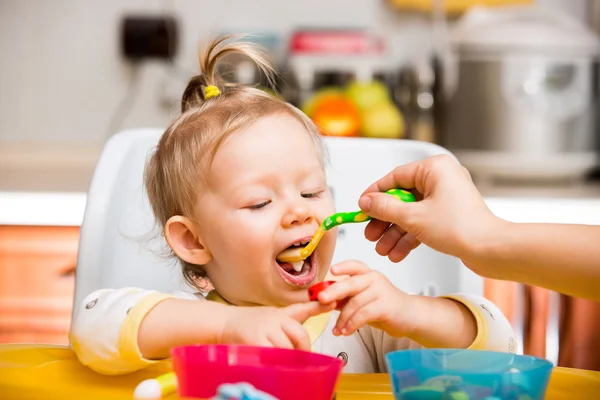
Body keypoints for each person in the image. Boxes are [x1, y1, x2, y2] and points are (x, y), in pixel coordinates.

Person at [69, 35, 516, 376]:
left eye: (310, 193)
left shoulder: (362, 325)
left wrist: (410, 311)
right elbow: (91, 328)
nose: (300, 213)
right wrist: (225, 328)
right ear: (193, 239)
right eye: (260, 202)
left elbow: (499, 352)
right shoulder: (187, 329)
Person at [356, 154, 600, 302]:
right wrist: (484, 242)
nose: (314, 215)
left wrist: (406, 309)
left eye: (316, 194)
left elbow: (498, 342)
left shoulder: (364, 303)